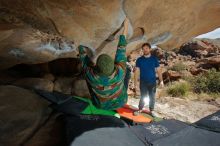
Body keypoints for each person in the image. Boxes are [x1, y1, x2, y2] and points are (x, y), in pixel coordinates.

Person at [78, 18, 129, 110]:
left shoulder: (91, 75)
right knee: (127, 70)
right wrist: (126, 26)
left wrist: (80, 45)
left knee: (86, 73)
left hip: (100, 105)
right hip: (120, 101)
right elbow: (121, 48)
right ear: (114, 66)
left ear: (96, 67)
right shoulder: (120, 72)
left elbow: (84, 60)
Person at [134, 43, 164, 116]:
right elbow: (137, 72)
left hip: (152, 82)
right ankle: (140, 109)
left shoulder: (154, 59)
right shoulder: (139, 60)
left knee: (152, 96)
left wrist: (161, 81)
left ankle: (151, 110)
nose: (145, 50)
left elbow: (158, 70)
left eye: (146, 48)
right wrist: (135, 83)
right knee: (143, 96)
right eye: (143, 49)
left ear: (149, 49)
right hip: (143, 82)